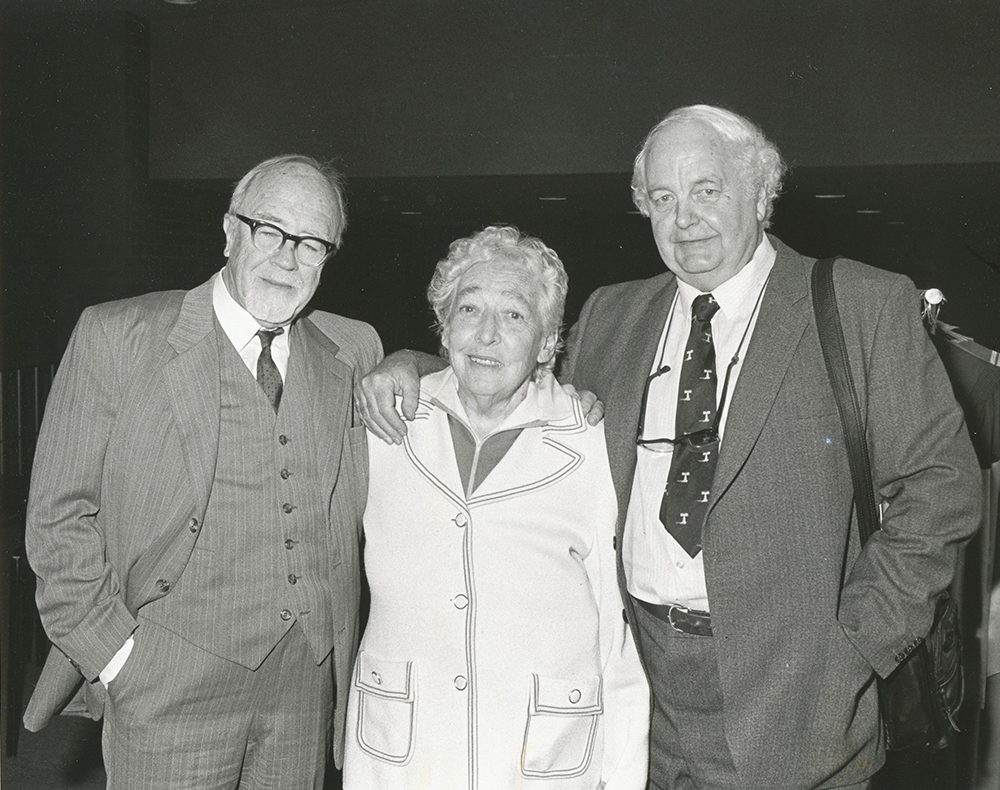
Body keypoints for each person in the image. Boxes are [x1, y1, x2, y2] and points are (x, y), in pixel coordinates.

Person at [354, 106, 982, 789]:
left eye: (706, 190)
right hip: (643, 695)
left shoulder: (860, 305)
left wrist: (855, 646)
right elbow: (506, 384)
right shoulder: (612, 317)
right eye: (662, 198)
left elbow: (941, 488)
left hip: (799, 698)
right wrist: (412, 364)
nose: (684, 219)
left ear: (761, 191)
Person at [24, 154, 382, 790]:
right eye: (269, 230)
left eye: (312, 243)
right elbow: (58, 518)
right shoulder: (119, 336)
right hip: (164, 680)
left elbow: (452, 374)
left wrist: (409, 359)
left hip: (304, 684)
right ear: (229, 231)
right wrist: (118, 658)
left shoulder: (351, 350)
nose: (287, 257)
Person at [342, 226, 648, 789]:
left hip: (545, 756)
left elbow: (617, 631)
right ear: (444, 326)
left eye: (514, 316)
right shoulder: (386, 422)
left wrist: (625, 776)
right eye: (469, 309)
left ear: (549, 343)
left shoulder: (589, 441)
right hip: (404, 751)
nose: (486, 335)